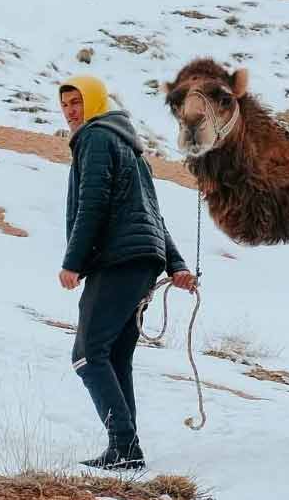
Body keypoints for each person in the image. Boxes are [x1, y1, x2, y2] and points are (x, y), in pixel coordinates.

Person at [58, 75, 196, 470]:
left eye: (77, 102)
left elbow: (93, 204)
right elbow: (152, 217)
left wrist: (73, 261)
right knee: (116, 357)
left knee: (87, 354)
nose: (71, 111)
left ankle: (124, 446)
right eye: (66, 104)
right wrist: (177, 265)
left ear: (96, 102)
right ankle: (126, 449)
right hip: (139, 260)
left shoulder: (96, 139)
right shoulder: (130, 146)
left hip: (118, 261)